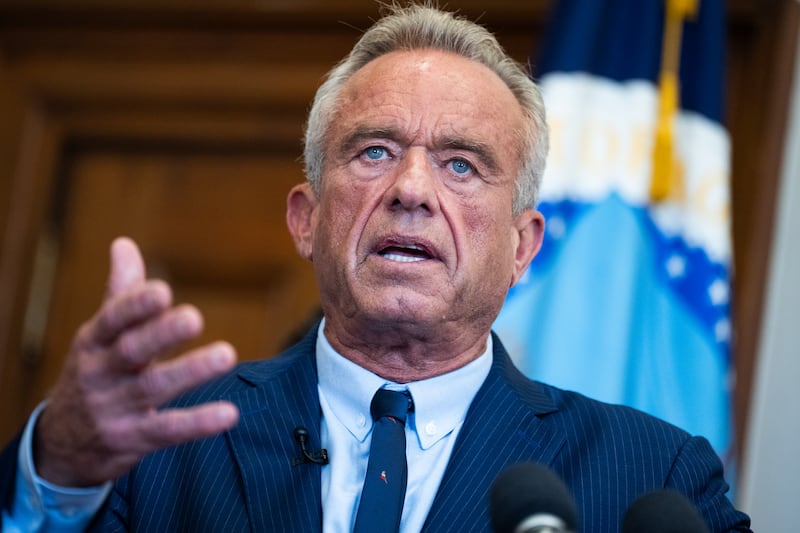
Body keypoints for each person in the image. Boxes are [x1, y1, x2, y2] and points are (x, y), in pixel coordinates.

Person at [0, 4, 751, 532]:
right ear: (307, 218)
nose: (412, 191)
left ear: (524, 247)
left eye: (461, 163)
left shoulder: (657, 478)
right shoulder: (161, 445)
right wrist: (60, 463)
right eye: (375, 152)